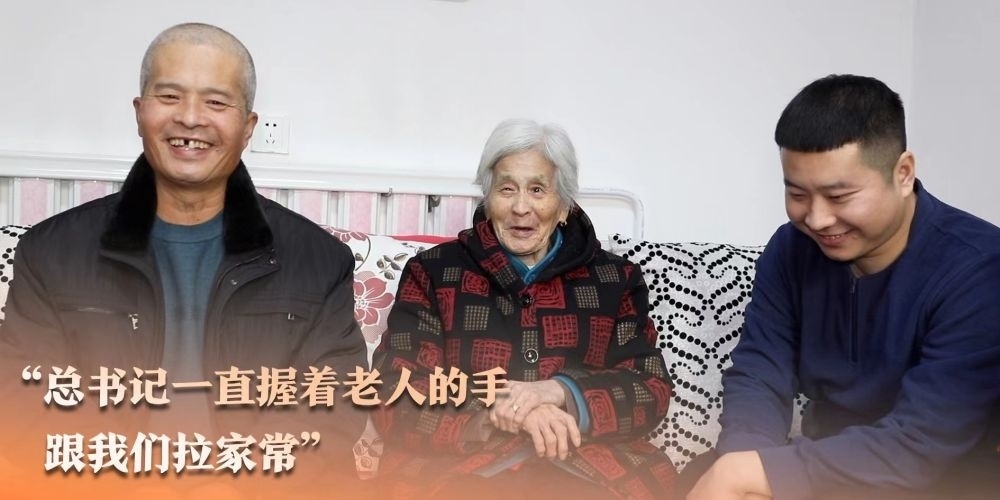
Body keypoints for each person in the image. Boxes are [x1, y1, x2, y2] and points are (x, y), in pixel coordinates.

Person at [0, 23, 368, 497]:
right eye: (170, 96)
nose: (191, 118)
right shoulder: (51, 252)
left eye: (216, 102)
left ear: (248, 126)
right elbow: (22, 396)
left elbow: (333, 404)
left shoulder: (318, 260)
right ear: (140, 112)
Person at [684, 74, 1000, 499]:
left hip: (939, 478)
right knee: (703, 475)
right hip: (824, 464)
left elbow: (921, 442)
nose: (816, 219)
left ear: (903, 173)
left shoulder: (979, 267)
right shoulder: (791, 249)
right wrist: (745, 466)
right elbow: (760, 372)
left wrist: (760, 473)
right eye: (797, 194)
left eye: (839, 197)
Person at [371, 118, 677, 499]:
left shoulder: (615, 280)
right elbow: (393, 389)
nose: (520, 207)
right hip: (464, 472)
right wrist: (499, 408)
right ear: (488, 198)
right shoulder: (434, 273)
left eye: (537, 190)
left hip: (585, 470)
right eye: (506, 189)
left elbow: (649, 387)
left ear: (564, 206)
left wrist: (560, 392)